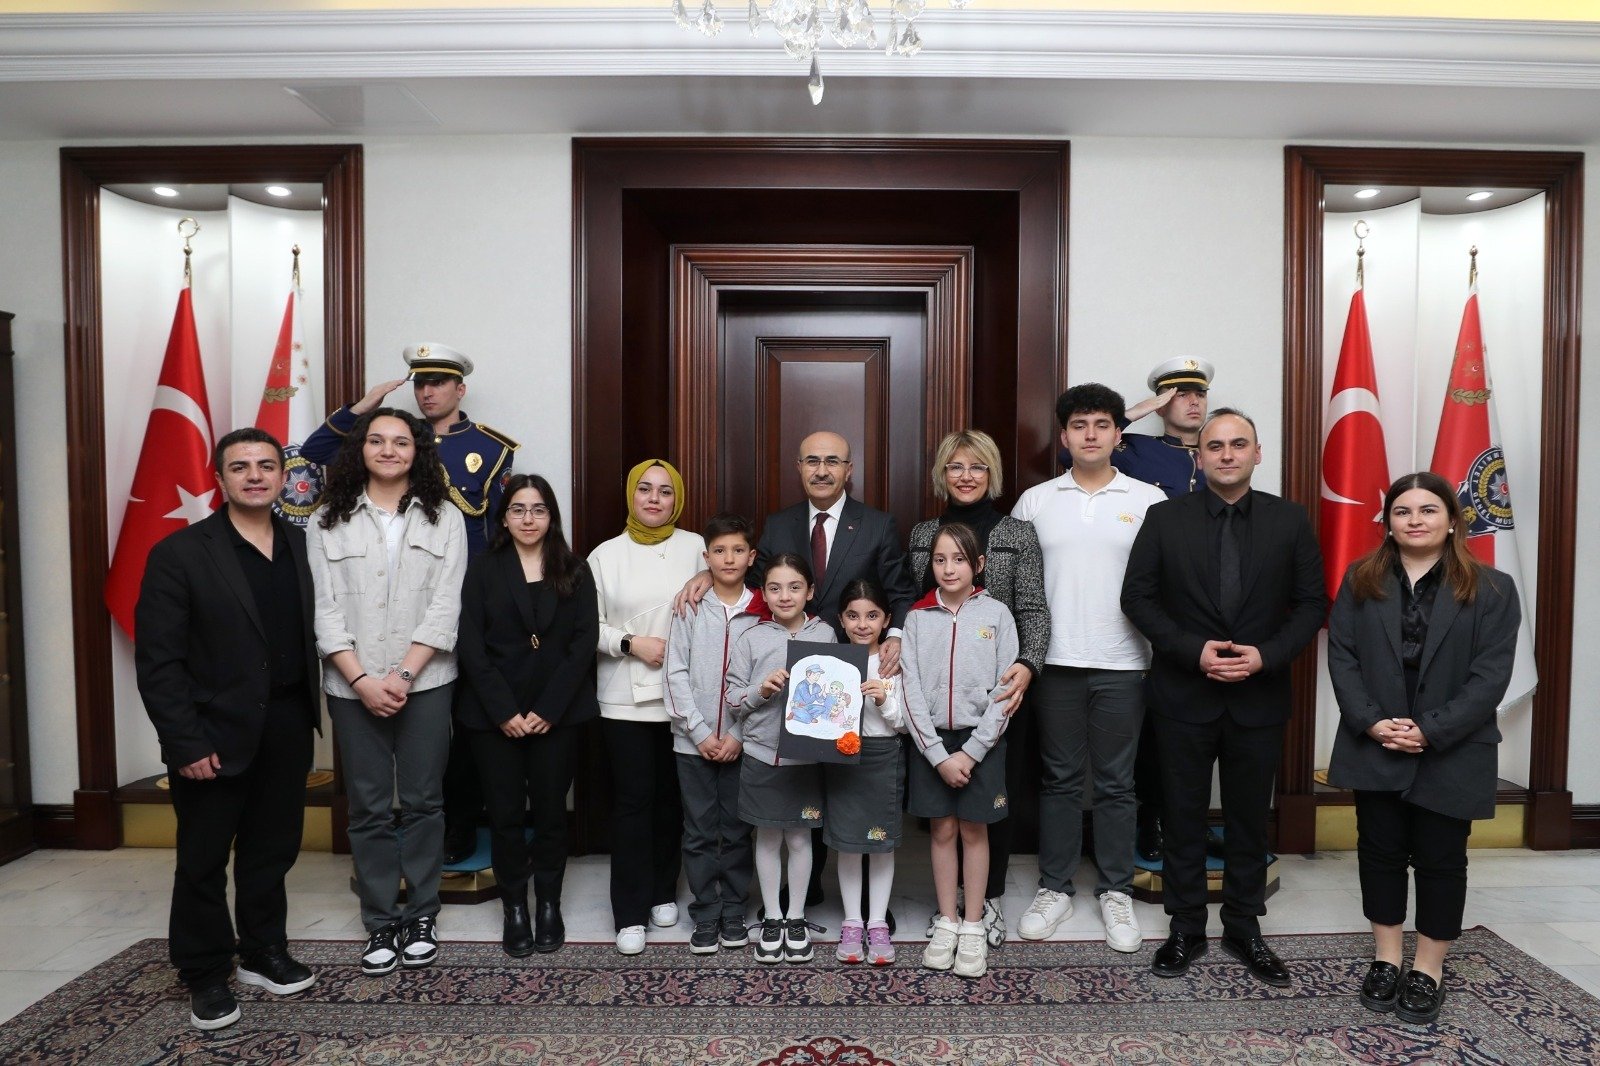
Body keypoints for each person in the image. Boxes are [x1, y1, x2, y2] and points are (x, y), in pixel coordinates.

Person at [1120, 407, 1325, 987]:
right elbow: (1137, 599)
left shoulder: (1290, 520)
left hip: (1259, 697)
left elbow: (1312, 604)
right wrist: (1192, 651)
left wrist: (1266, 655)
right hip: (1184, 693)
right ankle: (1185, 926)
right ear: (1199, 456)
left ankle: (1243, 925)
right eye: (1216, 446)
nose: (1228, 454)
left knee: (1246, 820)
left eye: (1240, 444)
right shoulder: (1164, 519)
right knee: (1181, 817)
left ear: (1258, 454)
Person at [301, 343, 519, 865]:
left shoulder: (489, 448)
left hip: (461, 602)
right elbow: (315, 453)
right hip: (385, 605)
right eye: (420, 383)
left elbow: (502, 527)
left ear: (458, 389)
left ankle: (458, 826)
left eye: (438, 383)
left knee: (463, 723)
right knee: (389, 752)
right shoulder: (381, 438)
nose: (427, 391)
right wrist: (363, 406)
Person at [134, 428, 321, 1031]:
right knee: (203, 858)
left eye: (267, 465)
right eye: (240, 467)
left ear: (281, 476)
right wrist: (184, 742)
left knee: (272, 849)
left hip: (287, 723)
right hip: (213, 733)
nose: (255, 476)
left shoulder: (297, 543)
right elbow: (159, 663)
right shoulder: (181, 553)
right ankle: (206, 972)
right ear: (220, 480)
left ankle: (263, 950)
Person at [1326, 472, 1521, 1025]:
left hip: (1452, 744)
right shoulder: (1361, 579)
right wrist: (1371, 723)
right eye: (1403, 510)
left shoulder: (1494, 588)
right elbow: (1342, 658)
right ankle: (1387, 959)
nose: (1415, 519)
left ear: (1453, 519)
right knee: (1380, 851)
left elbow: (1490, 677)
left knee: (1440, 859)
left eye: (1428, 510)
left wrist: (1430, 729)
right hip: (1377, 739)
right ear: (1387, 522)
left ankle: (1428, 968)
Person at [307, 407, 467, 977]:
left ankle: (422, 913)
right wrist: (360, 678)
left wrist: (401, 675)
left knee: (424, 801)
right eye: (377, 440)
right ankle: (380, 919)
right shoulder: (326, 518)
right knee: (370, 807)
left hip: (425, 681)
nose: (389, 450)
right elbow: (323, 611)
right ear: (361, 450)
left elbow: (447, 604)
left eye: (401, 441)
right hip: (352, 686)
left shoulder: (444, 517)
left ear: (417, 451)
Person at [1011, 385, 1166, 953]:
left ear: (1119, 434)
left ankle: (1115, 890)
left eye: (1103, 424)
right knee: (1058, 780)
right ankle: (1054, 887)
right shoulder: (1035, 501)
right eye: (1080, 424)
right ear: (1065, 436)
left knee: (1117, 783)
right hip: (1053, 662)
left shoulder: (1149, 500)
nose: (1092, 434)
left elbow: (1162, 586)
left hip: (1125, 663)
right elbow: (1015, 589)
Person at [1063, 357, 1216, 865]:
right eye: (1178, 394)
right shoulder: (1139, 450)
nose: (1190, 402)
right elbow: (1088, 442)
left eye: (1197, 394)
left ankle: (1188, 822)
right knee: (1147, 728)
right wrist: (1136, 411)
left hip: (1210, 602)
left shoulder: (1219, 449)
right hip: (1154, 609)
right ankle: (1149, 822)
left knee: (1197, 727)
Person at [907, 429, 1048, 945]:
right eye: (956, 468)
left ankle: (984, 903)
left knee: (993, 798)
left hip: (1001, 685)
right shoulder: (925, 534)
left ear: (992, 474)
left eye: (977, 467)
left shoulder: (1016, 533)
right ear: (942, 474)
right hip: (937, 689)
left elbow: (1032, 605)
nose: (966, 477)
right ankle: (949, 907)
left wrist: (1029, 664)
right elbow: (913, 601)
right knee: (945, 808)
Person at [456, 474, 598, 957]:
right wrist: (505, 711)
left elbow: (582, 645)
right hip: (493, 716)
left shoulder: (575, 569)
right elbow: (471, 646)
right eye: (518, 509)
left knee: (552, 815)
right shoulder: (483, 569)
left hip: (555, 715)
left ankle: (549, 905)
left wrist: (546, 710)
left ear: (551, 516)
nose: (528, 519)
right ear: (504, 517)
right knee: (505, 816)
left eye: (538, 509)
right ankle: (515, 906)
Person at [588, 459, 703, 955]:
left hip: (684, 696)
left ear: (677, 499)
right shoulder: (604, 555)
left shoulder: (697, 547)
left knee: (672, 799)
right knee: (633, 802)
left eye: (664, 492)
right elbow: (585, 626)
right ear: (631, 497)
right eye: (644, 491)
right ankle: (630, 911)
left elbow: (726, 588)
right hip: (623, 697)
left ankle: (662, 888)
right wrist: (630, 643)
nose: (654, 499)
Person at [903, 523, 1019, 981]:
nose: (949, 568)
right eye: (940, 559)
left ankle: (973, 925)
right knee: (941, 830)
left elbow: (1006, 691)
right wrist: (937, 754)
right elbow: (909, 691)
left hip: (981, 743)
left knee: (974, 830)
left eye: (959, 559)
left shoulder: (997, 616)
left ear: (979, 566)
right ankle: (946, 922)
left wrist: (970, 754)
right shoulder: (916, 619)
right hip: (932, 744)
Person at [725, 553, 838, 964]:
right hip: (760, 754)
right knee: (768, 836)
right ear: (764, 594)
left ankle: (795, 916)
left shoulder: (826, 635)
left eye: (794, 587)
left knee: (800, 836)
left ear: (809, 591)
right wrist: (761, 690)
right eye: (774, 588)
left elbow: (837, 698)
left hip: (806, 759)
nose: (784, 595)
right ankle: (772, 917)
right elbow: (733, 699)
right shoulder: (751, 638)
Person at [664, 512, 765, 956]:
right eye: (719, 551)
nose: (729, 558)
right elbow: (675, 671)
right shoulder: (689, 606)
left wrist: (739, 734)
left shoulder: (763, 611)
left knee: (739, 829)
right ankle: (705, 911)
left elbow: (767, 681)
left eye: (738, 550)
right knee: (700, 830)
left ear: (751, 557)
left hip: (744, 742)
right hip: (693, 742)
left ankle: (734, 910)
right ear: (706, 557)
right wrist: (700, 731)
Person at [830, 579, 908, 967]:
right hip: (844, 761)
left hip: (882, 756)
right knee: (847, 842)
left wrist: (885, 699)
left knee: (881, 843)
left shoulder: (894, 662)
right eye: (853, 615)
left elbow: (906, 721)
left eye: (872, 615)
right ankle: (852, 921)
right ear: (842, 619)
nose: (863, 624)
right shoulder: (832, 661)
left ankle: (878, 923)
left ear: (886, 620)